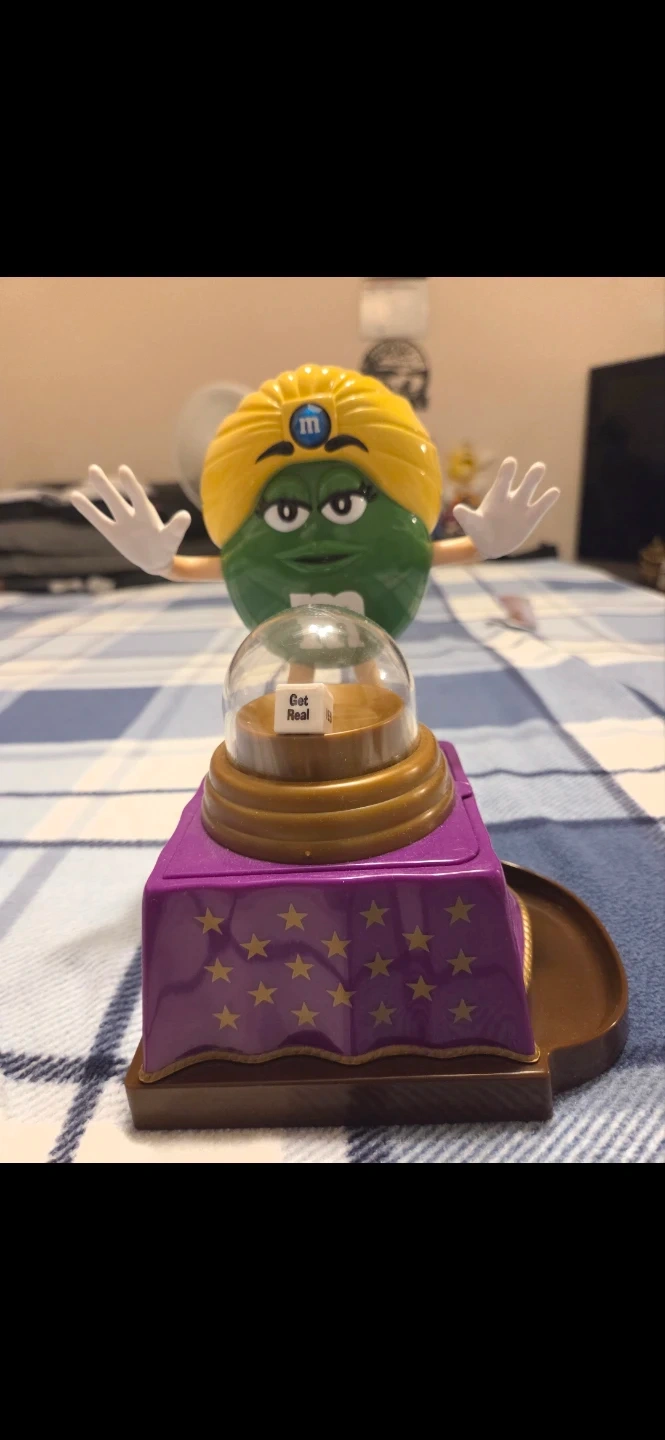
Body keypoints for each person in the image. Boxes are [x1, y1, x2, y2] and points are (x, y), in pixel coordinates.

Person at [71, 364, 559, 639]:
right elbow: (215, 567)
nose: (313, 532)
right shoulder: (250, 561)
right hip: (289, 648)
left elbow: (426, 554)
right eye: (286, 512)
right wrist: (161, 563)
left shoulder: (400, 546)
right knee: (297, 695)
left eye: (344, 505)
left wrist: (488, 544)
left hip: (375, 647)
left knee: (376, 690)